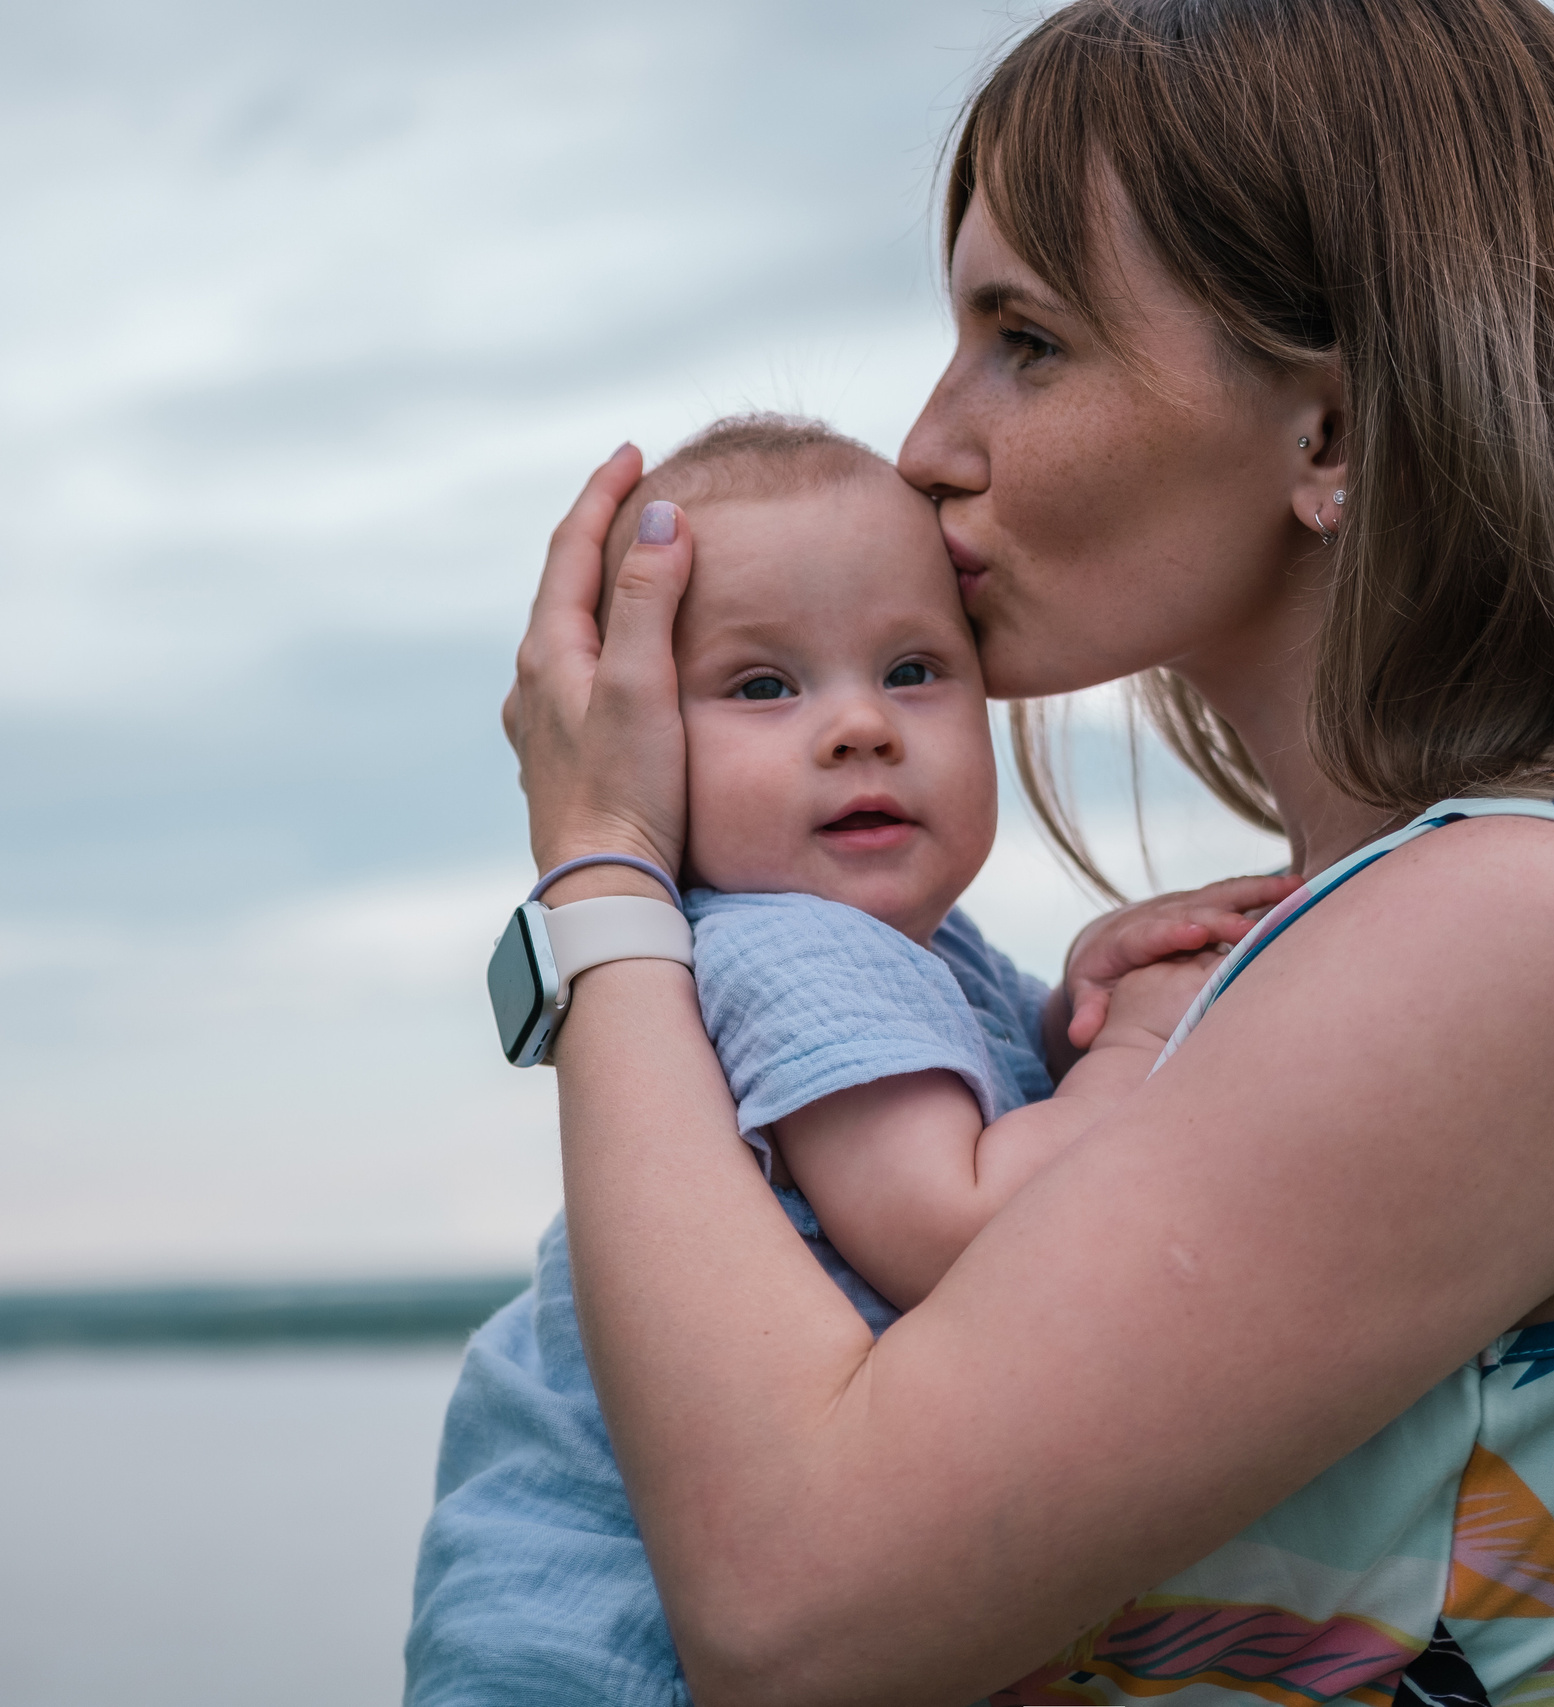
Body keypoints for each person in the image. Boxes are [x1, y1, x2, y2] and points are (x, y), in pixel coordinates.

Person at [497, 1, 1554, 1702]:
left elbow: (790, 1614)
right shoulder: (1407, 931)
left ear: (1323, 434)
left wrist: (600, 875)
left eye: (1024, 340)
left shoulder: (1534, 926)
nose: (933, 446)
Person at [407, 412, 1288, 1703]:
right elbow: (953, 1217)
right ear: (637, 741)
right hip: (614, 1667)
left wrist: (1072, 1020)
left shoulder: (896, 950)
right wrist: (1147, 1041)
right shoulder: (788, 952)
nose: (861, 726)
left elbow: (965, 1099)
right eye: (766, 686)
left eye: (917, 670)